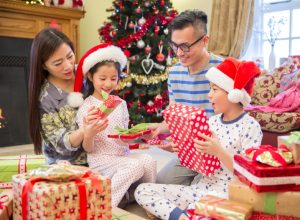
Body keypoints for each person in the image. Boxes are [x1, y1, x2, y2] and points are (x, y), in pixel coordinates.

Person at [134, 57, 263, 220]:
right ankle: (184, 217)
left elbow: (249, 175)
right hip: (200, 189)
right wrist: (180, 148)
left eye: (215, 89)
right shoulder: (212, 121)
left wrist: (219, 152)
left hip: (228, 195)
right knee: (143, 190)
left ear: (233, 95)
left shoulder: (251, 126)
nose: (209, 95)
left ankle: (187, 213)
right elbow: (200, 161)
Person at [74, 43, 157, 208]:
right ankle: (103, 206)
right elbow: (88, 148)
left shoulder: (121, 104)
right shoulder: (87, 107)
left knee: (149, 160)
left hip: (123, 154)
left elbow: (124, 139)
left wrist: (137, 136)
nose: (108, 84)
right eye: (102, 78)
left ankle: (149, 200)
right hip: (101, 159)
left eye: (114, 79)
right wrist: (89, 133)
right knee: (134, 166)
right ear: (90, 76)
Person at [153, 9, 223, 186]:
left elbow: (234, 121)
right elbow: (175, 116)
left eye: (185, 46)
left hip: (218, 150)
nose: (179, 53)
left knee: (200, 192)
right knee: (160, 182)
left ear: (205, 41)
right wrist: (160, 134)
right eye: (175, 46)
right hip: (190, 150)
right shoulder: (175, 73)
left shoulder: (222, 70)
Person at [28, 28, 99, 165]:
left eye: (70, 56)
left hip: (99, 154)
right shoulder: (45, 98)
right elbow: (61, 146)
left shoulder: (86, 73)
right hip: (67, 164)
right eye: (58, 63)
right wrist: (85, 130)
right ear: (44, 65)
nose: (68, 66)